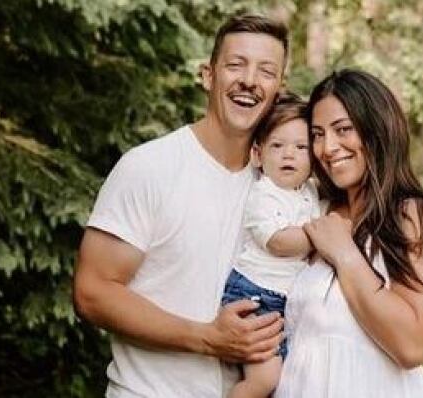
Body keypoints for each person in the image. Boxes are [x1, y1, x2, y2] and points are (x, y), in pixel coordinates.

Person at [73, 15, 290, 397]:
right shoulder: (150, 167)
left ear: (279, 89)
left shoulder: (278, 186)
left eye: (266, 71)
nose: (250, 80)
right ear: (208, 75)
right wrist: (206, 338)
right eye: (236, 65)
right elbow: (92, 293)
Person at [275, 69, 423, 397]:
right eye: (317, 134)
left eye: (343, 129)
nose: (327, 147)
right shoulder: (314, 212)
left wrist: (345, 255)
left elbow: (412, 346)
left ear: (377, 129)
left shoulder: (415, 215)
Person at [220, 93, 320, 398]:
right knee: (264, 380)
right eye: (277, 145)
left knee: (288, 380)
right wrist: (324, 236)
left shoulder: (309, 192)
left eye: (301, 147)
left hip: (283, 301)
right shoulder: (263, 195)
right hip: (254, 297)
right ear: (257, 155)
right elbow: (278, 243)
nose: (289, 154)